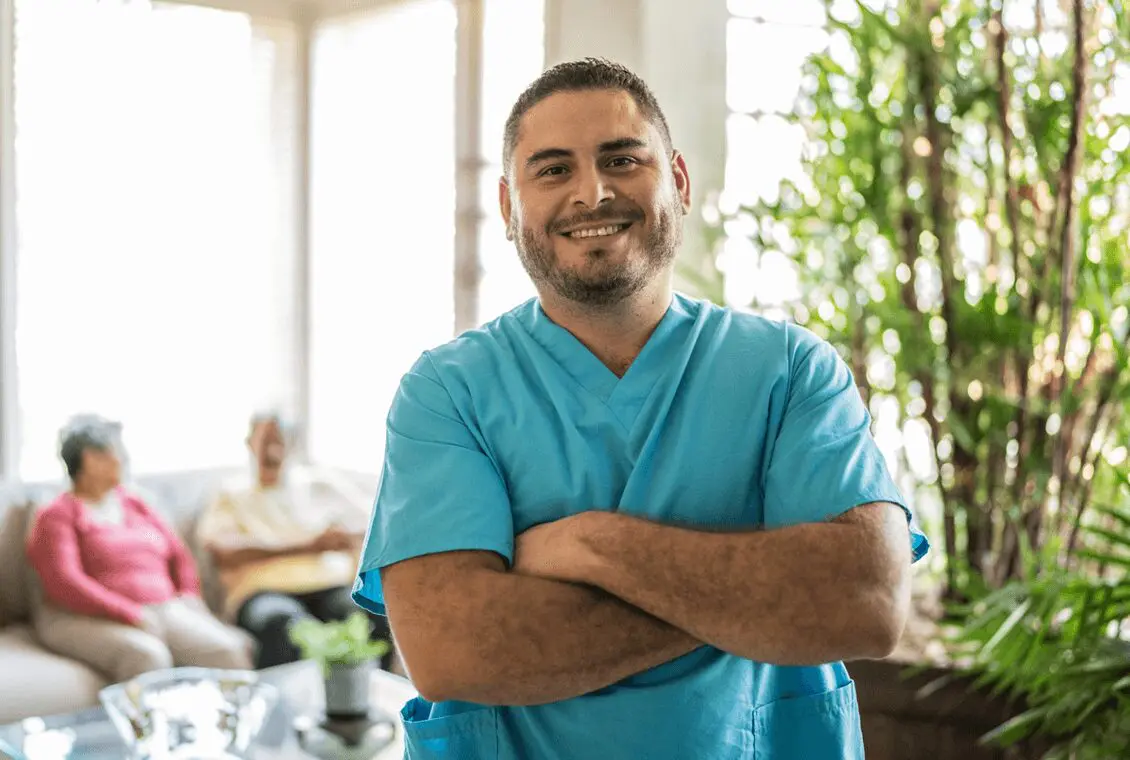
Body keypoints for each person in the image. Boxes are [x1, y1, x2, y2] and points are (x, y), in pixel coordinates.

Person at [352, 58, 931, 759]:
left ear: (678, 182)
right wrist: (757, 600)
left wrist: (589, 544)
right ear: (508, 208)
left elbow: (865, 602)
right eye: (553, 169)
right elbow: (452, 650)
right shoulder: (448, 392)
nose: (592, 193)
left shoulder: (788, 370)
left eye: (622, 160)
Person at [26, 415, 251, 683]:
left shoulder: (135, 503)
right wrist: (129, 613)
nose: (122, 460)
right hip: (83, 616)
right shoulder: (56, 515)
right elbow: (65, 583)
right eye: (114, 453)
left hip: (161, 608)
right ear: (90, 459)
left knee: (226, 650)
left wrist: (189, 596)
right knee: (148, 656)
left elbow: (179, 555)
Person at [197, 412, 392, 670]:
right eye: (266, 441)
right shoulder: (230, 492)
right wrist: (308, 546)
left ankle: (373, 691)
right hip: (263, 591)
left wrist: (343, 537)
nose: (273, 450)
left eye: (280, 441)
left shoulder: (316, 484)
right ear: (250, 443)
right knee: (282, 623)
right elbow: (223, 551)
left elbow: (374, 520)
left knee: (372, 610)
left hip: (328, 584)